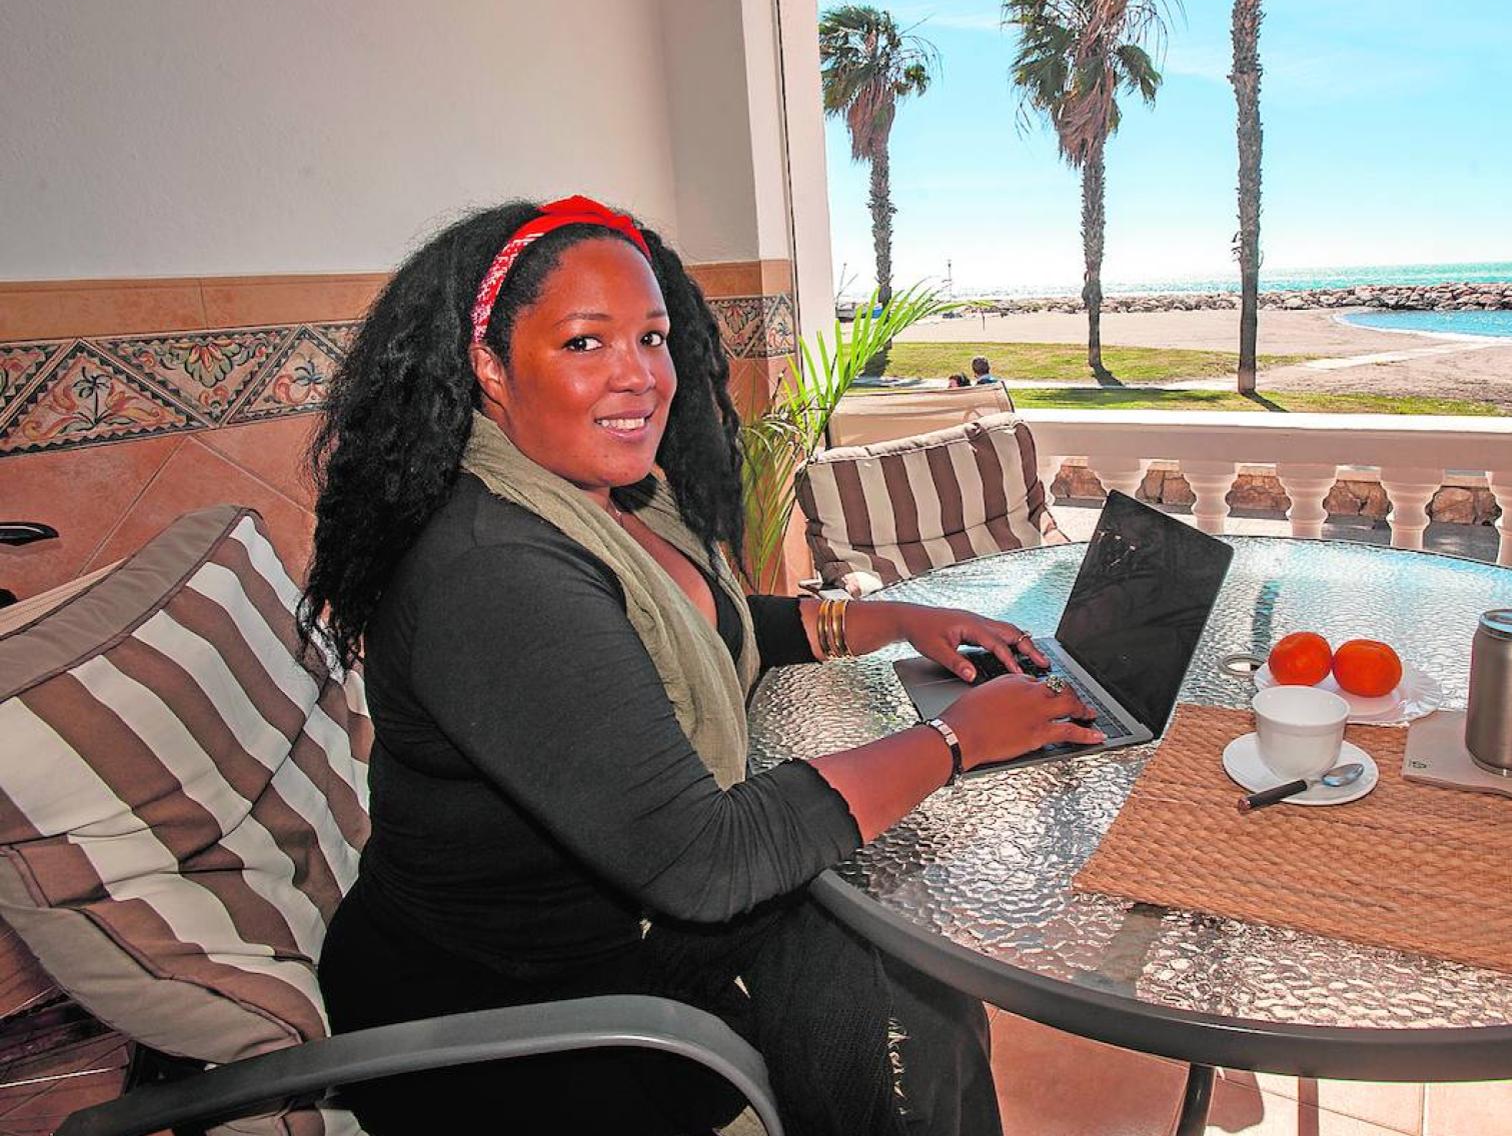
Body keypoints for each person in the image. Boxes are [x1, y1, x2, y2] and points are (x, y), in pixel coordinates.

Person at [302, 196, 1100, 1136]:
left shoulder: (613, 500)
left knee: (897, 941)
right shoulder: (494, 570)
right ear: (491, 366)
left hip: (614, 932)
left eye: (652, 336)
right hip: (507, 1017)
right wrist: (954, 741)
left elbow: (714, 626)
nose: (638, 377)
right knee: (877, 972)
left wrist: (890, 618)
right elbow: (704, 861)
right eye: (585, 344)